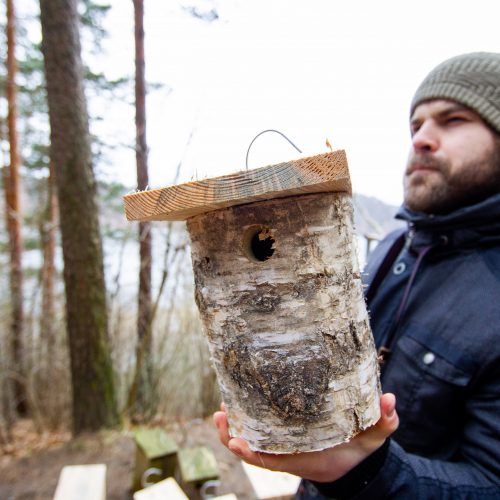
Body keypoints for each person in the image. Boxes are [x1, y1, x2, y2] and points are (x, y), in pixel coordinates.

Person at [213, 51, 500, 499]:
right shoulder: (392, 246)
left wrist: (360, 472)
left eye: (454, 119)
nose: (422, 138)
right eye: (416, 125)